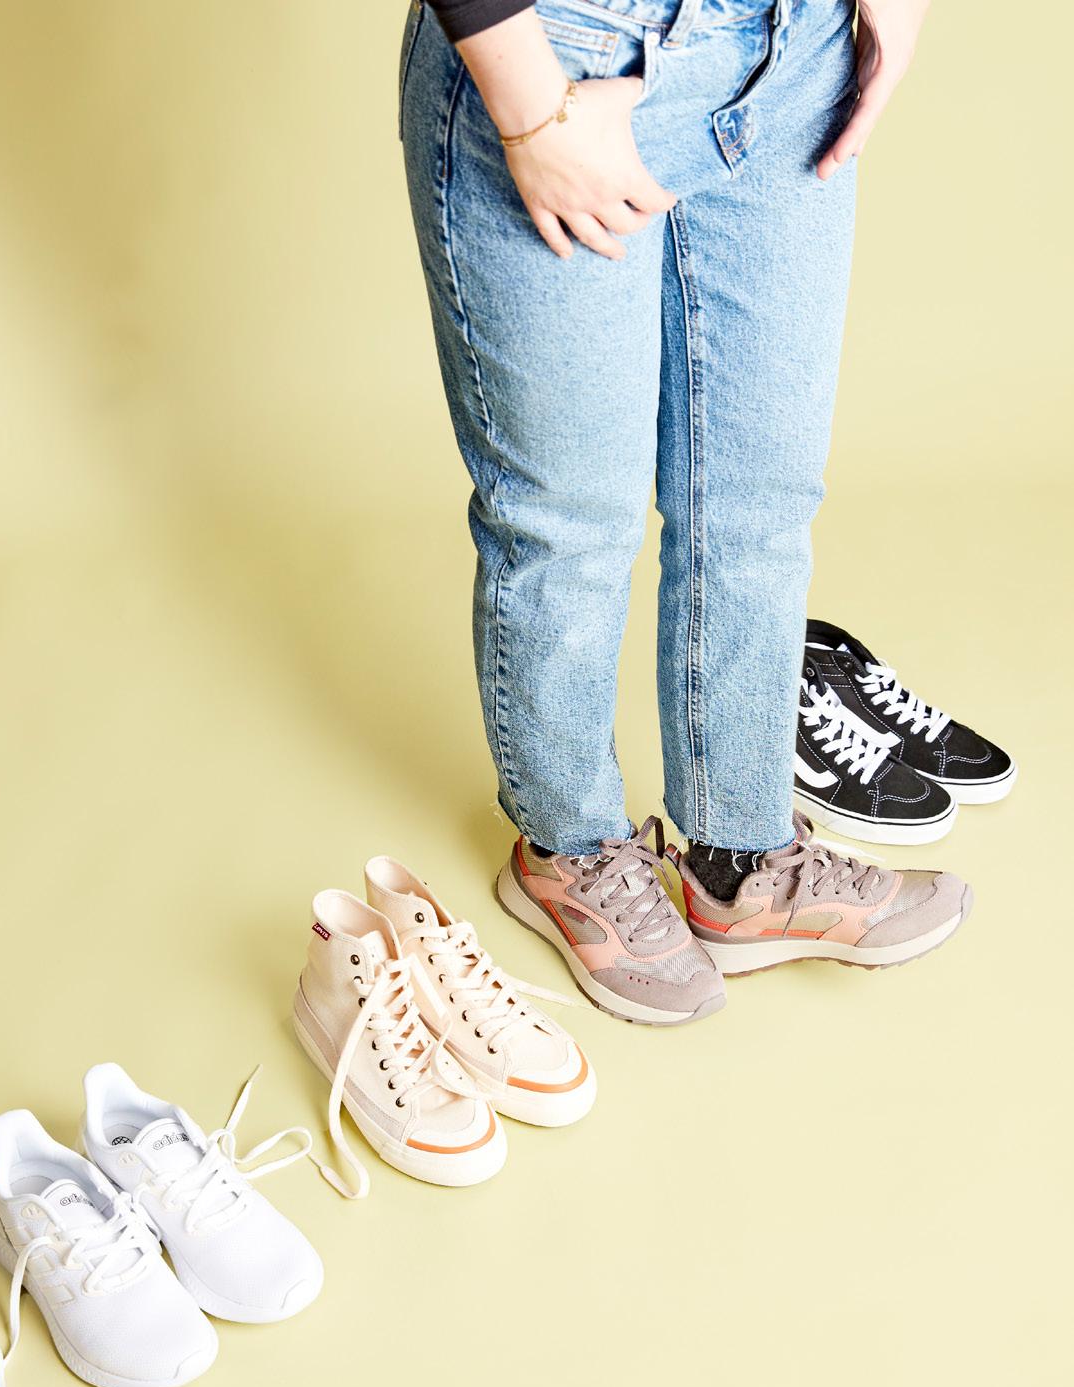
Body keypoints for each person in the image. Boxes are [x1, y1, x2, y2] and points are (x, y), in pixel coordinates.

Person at [400, 0, 970, 1026]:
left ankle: (743, 860)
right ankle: (566, 850)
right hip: (564, 47)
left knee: (759, 500)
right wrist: (528, 112)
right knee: (570, 523)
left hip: (791, 48)